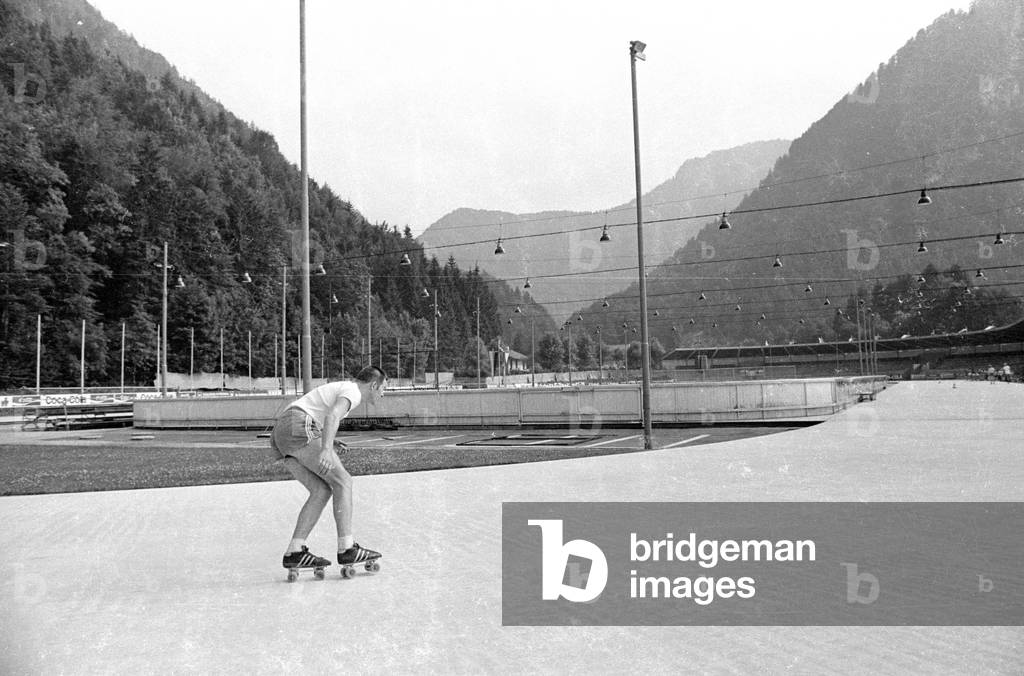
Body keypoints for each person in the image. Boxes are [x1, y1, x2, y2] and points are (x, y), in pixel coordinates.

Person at [270, 366, 387, 572]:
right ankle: (347, 548)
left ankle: (295, 551)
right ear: (374, 385)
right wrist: (325, 449)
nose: (383, 393)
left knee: (321, 491)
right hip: (297, 424)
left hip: (282, 433)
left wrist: (330, 442)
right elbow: (331, 417)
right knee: (343, 482)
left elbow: (319, 416)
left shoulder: (343, 388)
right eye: (382, 389)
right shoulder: (353, 392)